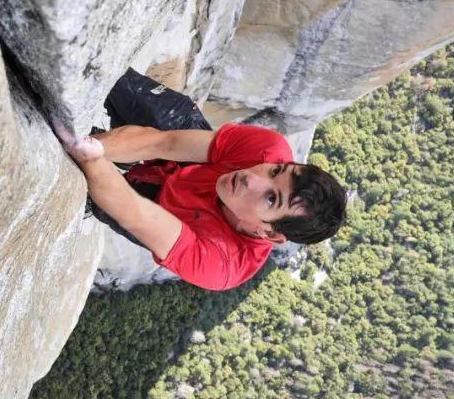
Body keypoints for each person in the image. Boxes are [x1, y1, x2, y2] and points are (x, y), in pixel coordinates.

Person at [57, 69, 347, 291]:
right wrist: (98, 146)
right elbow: (165, 143)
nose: (251, 178)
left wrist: (89, 158)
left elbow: (137, 214)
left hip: (165, 213)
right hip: (187, 160)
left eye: (271, 198)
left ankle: (112, 172)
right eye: (274, 171)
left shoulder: (222, 263)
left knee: (97, 195)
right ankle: (117, 148)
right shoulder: (268, 151)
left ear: (270, 234)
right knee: (116, 82)